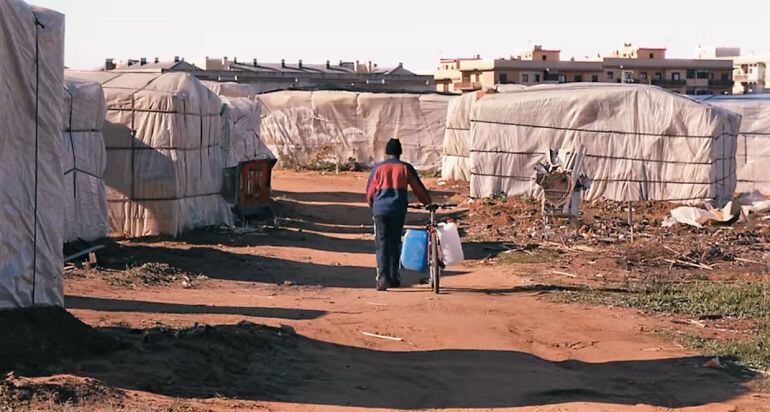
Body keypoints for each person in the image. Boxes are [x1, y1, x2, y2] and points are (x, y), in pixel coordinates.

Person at [366, 138, 432, 291]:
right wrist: (427, 203)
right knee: (395, 242)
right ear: (400, 152)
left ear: (387, 152)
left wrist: (373, 206)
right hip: (398, 210)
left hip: (380, 210)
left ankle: (383, 279)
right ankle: (394, 277)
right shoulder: (405, 168)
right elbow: (418, 188)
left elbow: (370, 192)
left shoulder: (378, 169)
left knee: (381, 243)